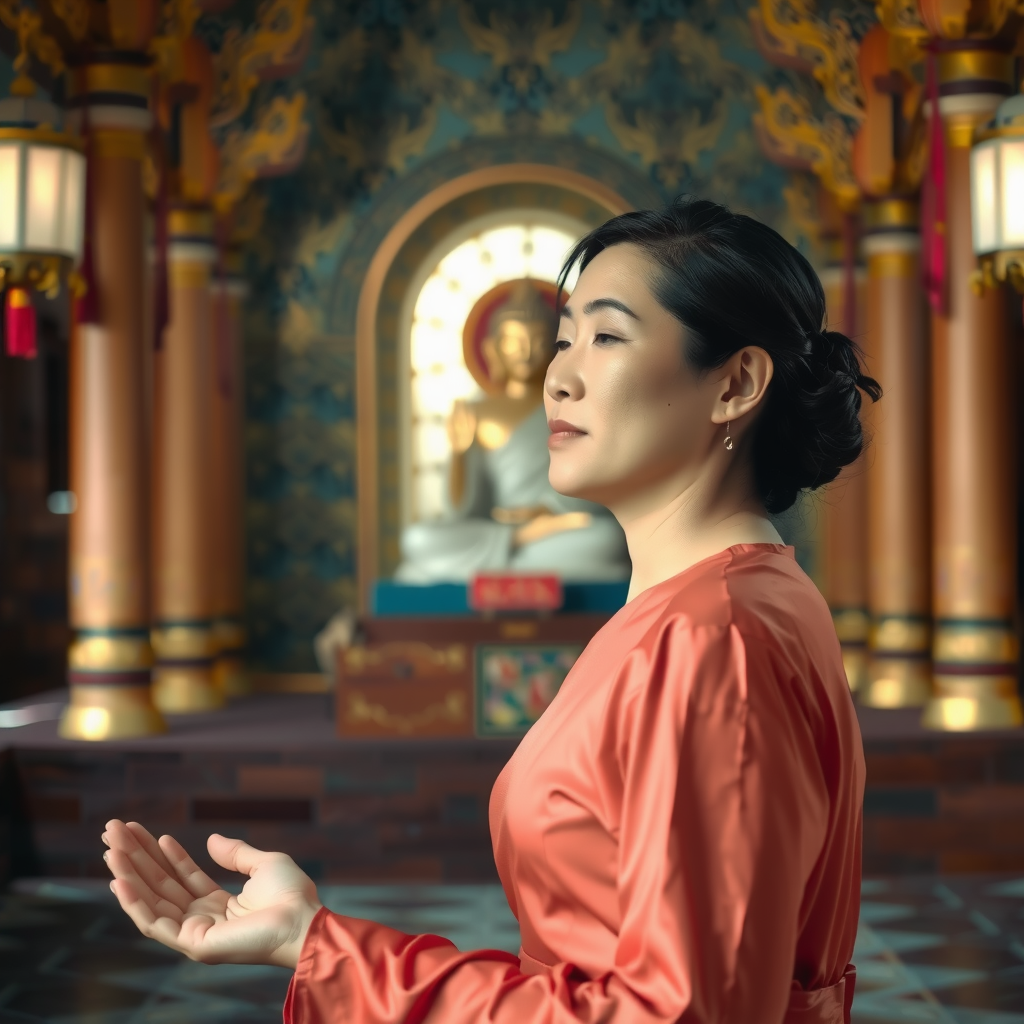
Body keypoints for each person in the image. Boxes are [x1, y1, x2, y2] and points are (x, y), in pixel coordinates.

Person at [102, 196, 878, 1024]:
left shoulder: (707, 637)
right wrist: (306, 935)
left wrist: (327, 952)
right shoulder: (734, 601)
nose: (559, 375)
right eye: (563, 339)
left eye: (607, 337)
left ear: (735, 384)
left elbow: (673, 1014)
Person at [395, 277, 629, 583]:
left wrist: (547, 512)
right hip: (500, 529)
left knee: (607, 540)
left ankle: (480, 570)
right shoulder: (478, 412)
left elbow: (592, 480)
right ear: (494, 348)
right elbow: (462, 513)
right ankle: (517, 556)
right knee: (419, 539)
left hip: (556, 527)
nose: (526, 351)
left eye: (536, 340)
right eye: (514, 342)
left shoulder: (569, 402)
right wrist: (459, 454)